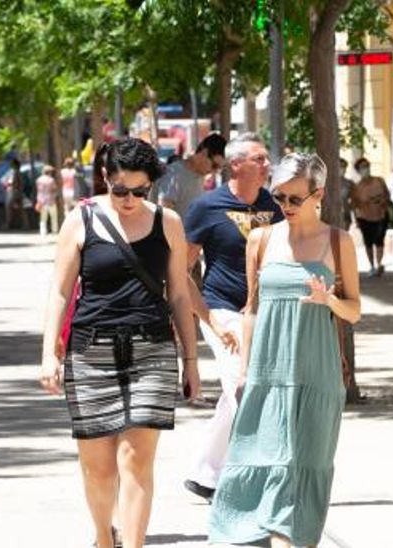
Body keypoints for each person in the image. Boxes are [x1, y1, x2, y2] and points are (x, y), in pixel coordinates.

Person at [40, 138, 199, 548]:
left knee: (136, 460)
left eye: (140, 191)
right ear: (105, 178)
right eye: (120, 190)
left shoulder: (168, 222)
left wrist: (191, 361)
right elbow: (60, 291)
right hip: (90, 352)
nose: (129, 200)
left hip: (152, 351)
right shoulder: (80, 220)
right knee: (99, 468)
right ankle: (103, 537)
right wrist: (48, 353)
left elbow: (180, 295)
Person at [208, 153, 361, 547]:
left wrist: (329, 300)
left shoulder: (338, 241)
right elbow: (251, 309)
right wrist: (245, 371)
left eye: (295, 198)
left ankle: (292, 538)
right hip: (268, 369)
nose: (285, 206)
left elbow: (354, 310)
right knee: (265, 459)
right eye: (278, 197)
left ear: (318, 195)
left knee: (306, 462)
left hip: (317, 370)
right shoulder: (261, 239)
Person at [181, 133, 283, 502]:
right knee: (244, 389)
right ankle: (249, 478)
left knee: (235, 393)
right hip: (222, 309)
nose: (267, 165)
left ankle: (206, 475)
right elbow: (180, 268)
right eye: (260, 159)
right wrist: (206, 317)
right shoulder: (206, 207)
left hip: (264, 313)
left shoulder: (275, 206)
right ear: (235, 164)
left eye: (267, 159)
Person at [155, 133, 227, 217]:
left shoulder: (198, 177)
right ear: (204, 152)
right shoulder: (174, 174)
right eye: (214, 166)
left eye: (219, 169)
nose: (214, 171)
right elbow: (163, 215)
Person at [351, 161, 390, 277]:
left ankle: (379, 264)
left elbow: (387, 194)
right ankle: (372, 266)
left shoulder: (379, 180)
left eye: (367, 166)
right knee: (368, 242)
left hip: (381, 215)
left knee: (380, 240)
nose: (366, 169)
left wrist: (383, 201)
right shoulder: (357, 187)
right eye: (362, 167)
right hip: (365, 218)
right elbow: (354, 204)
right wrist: (356, 218)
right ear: (358, 171)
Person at [36, 165, 59, 236]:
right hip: (50, 200)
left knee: (43, 218)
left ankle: (43, 232)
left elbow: (38, 190)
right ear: (50, 172)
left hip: (41, 200)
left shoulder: (38, 180)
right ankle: (54, 231)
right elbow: (54, 189)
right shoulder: (51, 180)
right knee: (53, 217)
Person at [338, 157, 357, 231]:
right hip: (331, 215)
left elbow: (354, 201)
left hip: (345, 214)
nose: (342, 168)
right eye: (340, 166)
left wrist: (356, 217)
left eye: (344, 166)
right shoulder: (328, 183)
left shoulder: (349, 183)